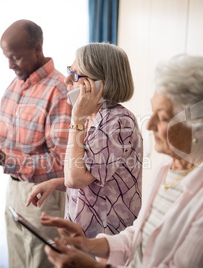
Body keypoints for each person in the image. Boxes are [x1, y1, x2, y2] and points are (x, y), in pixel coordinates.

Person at [40, 54, 203, 268]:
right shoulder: (169, 168)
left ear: (202, 125)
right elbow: (139, 235)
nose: (149, 124)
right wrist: (90, 244)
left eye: (163, 117)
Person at [0, 20, 71, 268]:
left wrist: (5, 160)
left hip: (44, 196)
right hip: (14, 190)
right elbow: (13, 138)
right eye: (6, 57)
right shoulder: (16, 84)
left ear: (37, 49)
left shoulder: (59, 90)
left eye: (16, 57)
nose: (10, 65)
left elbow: (61, 164)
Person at [26, 43, 143, 239]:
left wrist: (77, 117)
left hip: (106, 240)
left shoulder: (117, 121)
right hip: (86, 235)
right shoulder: (94, 118)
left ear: (99, 85)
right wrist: (56, 182)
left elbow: (75, 178)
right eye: (69, 71)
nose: (66, 79)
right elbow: (92, 175)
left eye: (76, 75)